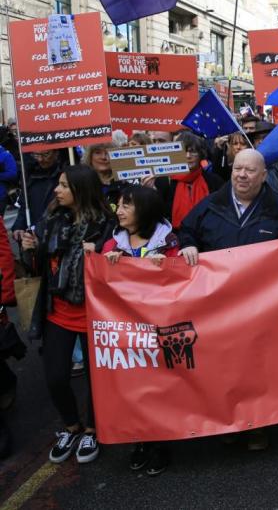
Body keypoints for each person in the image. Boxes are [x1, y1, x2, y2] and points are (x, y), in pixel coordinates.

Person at [178, 149, 278, 451]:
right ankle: (227, 421)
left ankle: (258, 425)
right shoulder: (210, 205)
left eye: (249, 171)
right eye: (237, 169)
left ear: (262, 176)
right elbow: (186, 231)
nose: (242, 175)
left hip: (259, 307)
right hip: (217, 305)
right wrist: (188, 246)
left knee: (257, 367)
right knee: (222, 367)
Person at [21, 165, 113, 464]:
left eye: (63, 186)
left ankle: (91, 429)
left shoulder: (107, 225)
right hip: (57, 311)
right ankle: (71, 426)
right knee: (56, 377)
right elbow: (39, 266)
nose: (57, 190)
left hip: (93, 312)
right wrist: (31, 249)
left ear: (80, 190)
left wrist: (99, 254)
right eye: (58, 185)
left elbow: (117, 264)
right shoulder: (50, 220)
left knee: (96, 380)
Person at [102, 185, 179, 475]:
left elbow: (181, 278)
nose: (118, 211)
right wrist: (107, 264)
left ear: (144, 210)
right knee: (133, 387)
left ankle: (161, 443)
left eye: (126, 205)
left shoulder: (168, 241)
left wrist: (166, 265)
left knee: (159, 387)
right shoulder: (112, 244)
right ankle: (140, 438)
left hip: (158, 325)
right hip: (126, 329)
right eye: (118, 205)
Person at [152, 133, 224, 230]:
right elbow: (156, 213)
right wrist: (151, 191)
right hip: (173, 236)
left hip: (206, 236)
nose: (188, 156)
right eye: (183, 152)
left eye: (193, 151)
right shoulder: (164, 181)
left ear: (201, 154)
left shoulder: (214, 181)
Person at [13, 150, 64, 243]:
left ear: (56, 153)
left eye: (46, 154)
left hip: (58, 235)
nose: (40, 159)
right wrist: (19, 226)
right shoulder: (29, 176)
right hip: (34, 236)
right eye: (36, 154)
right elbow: (25, 205)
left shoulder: (65, 175)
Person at [81, 143, 126, 209]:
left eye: (108, 153)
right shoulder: (81, 184)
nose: (103, 157)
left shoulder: (124, 184)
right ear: (89, 157)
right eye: (98, 152)